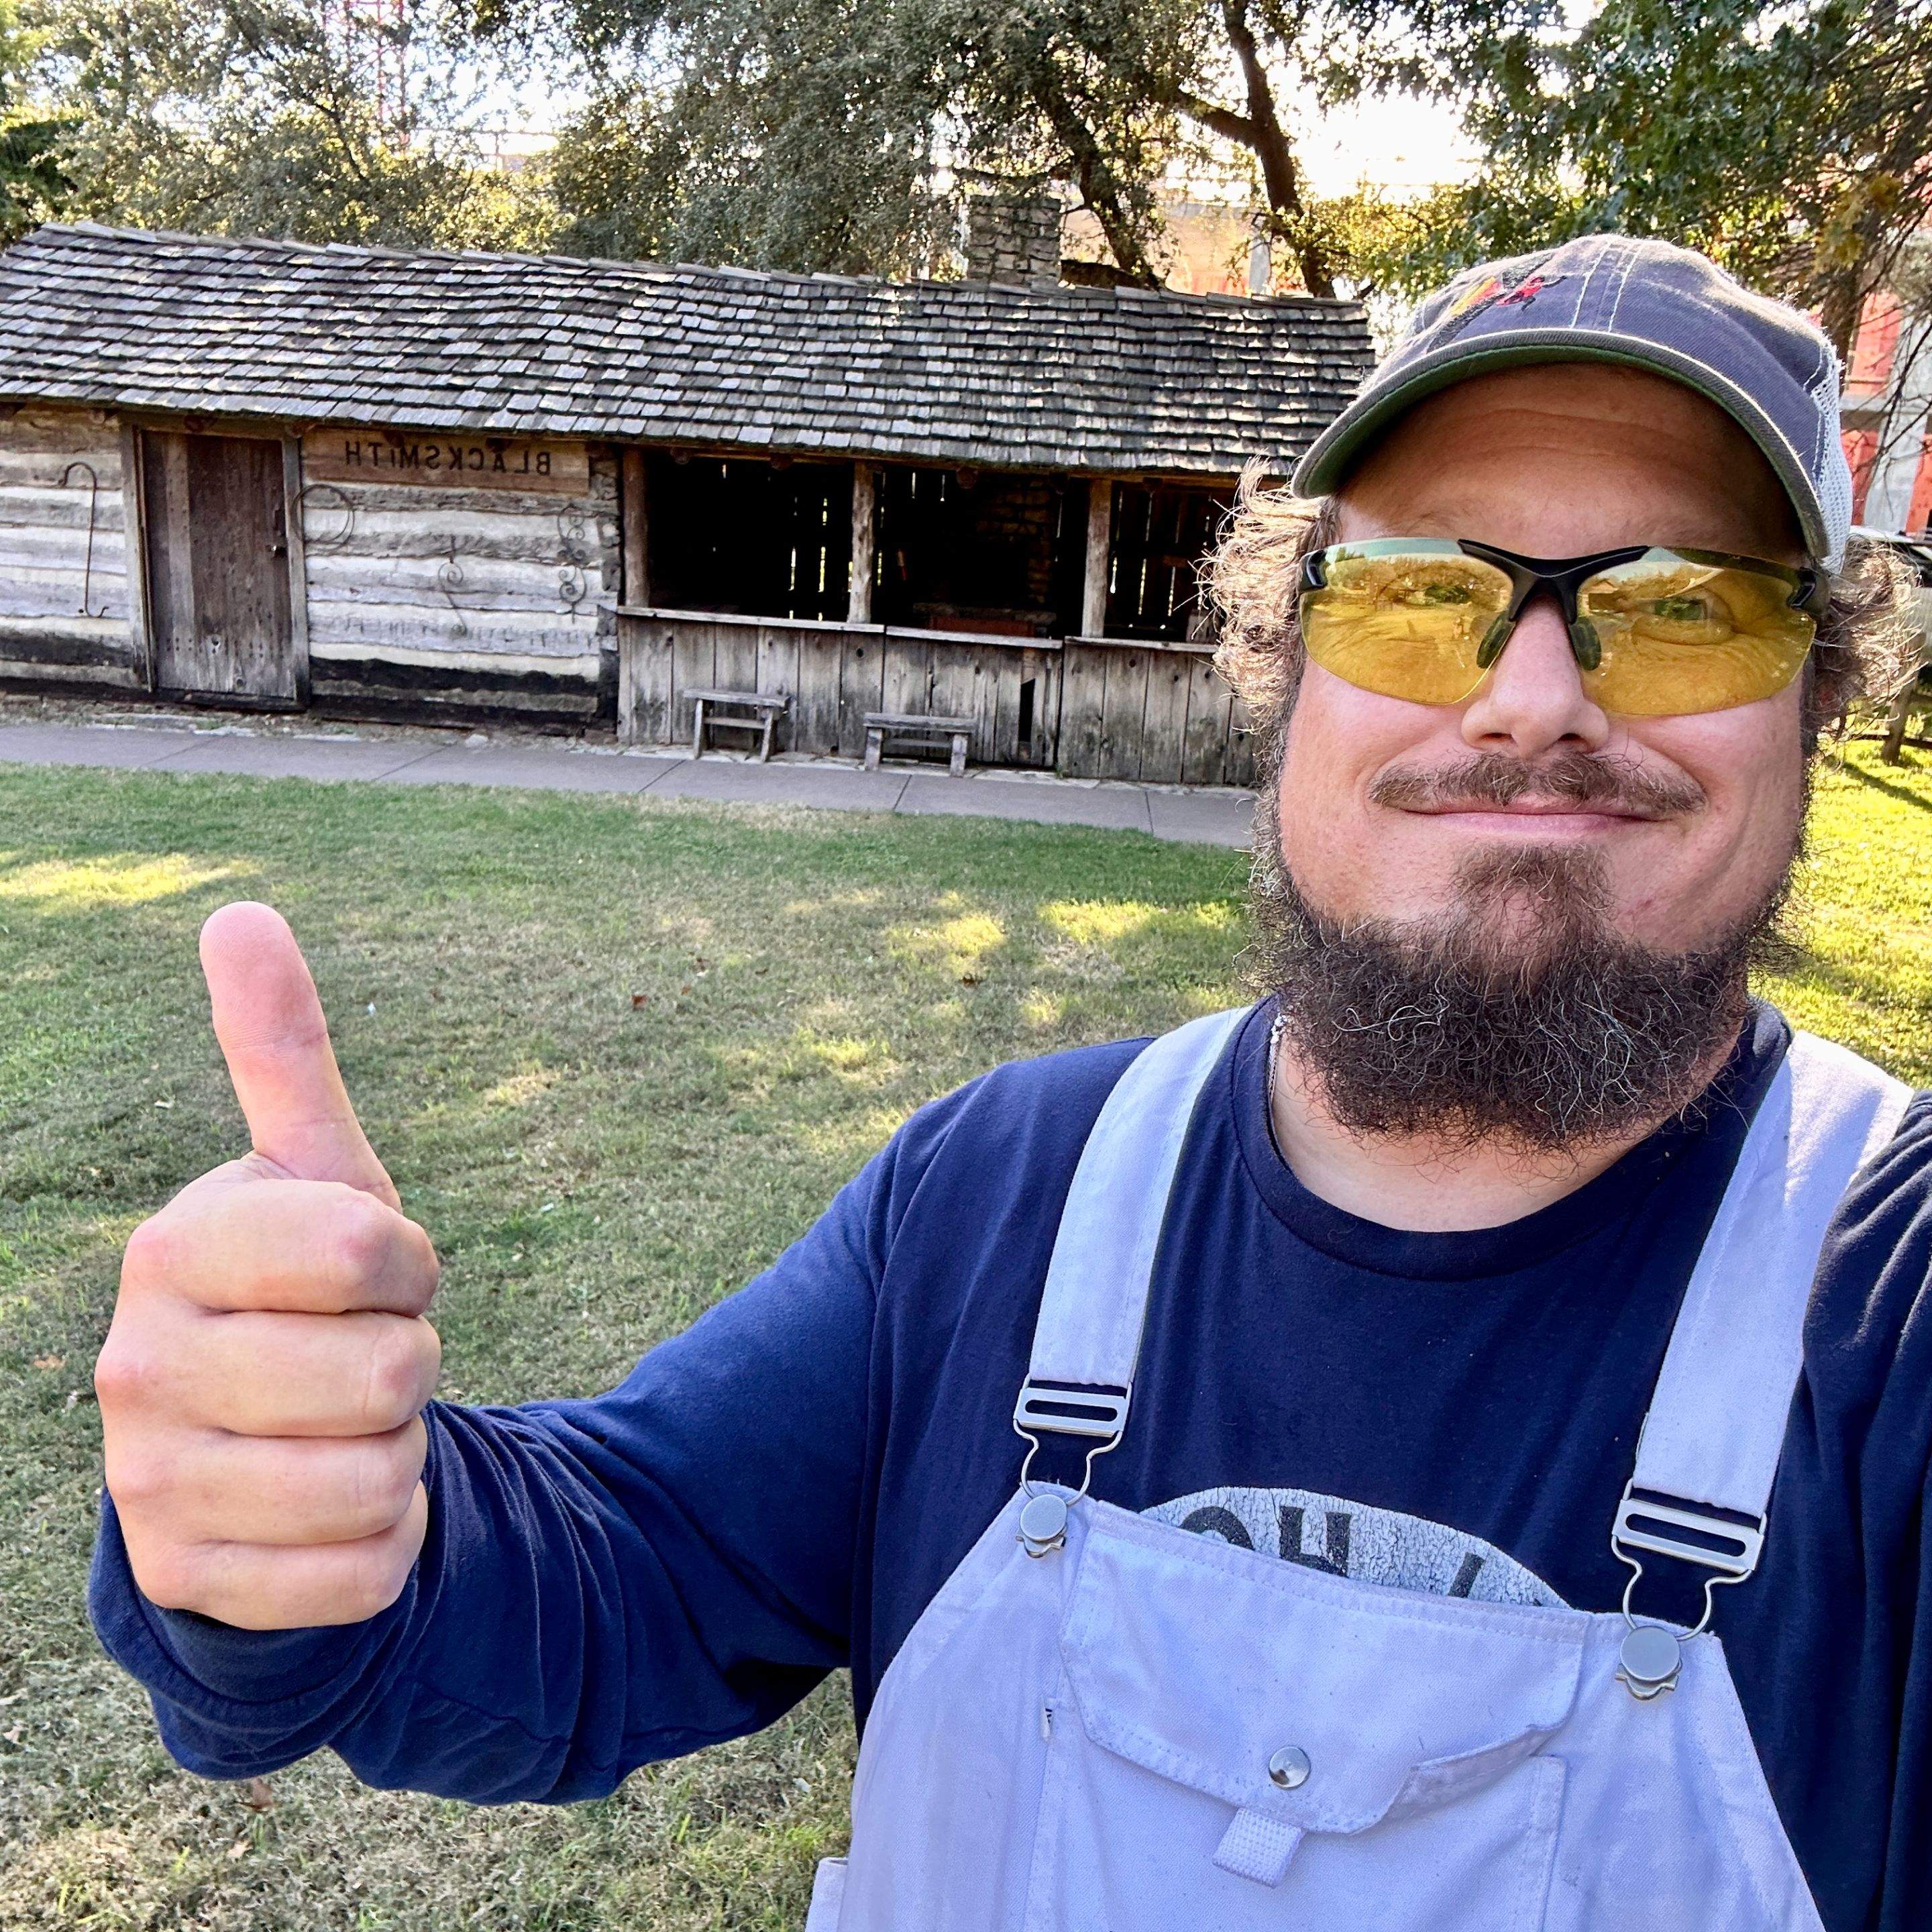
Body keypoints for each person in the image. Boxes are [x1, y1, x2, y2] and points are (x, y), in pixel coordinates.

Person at [89, 235, 1932, 1931]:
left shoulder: (1888, 1296)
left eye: (1682, 606)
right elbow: (613, 1578)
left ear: (1817, 699)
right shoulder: (1009, 1189)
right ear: (1286, 678)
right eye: (1425, 596)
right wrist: (332, 1524)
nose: (1534, 697)